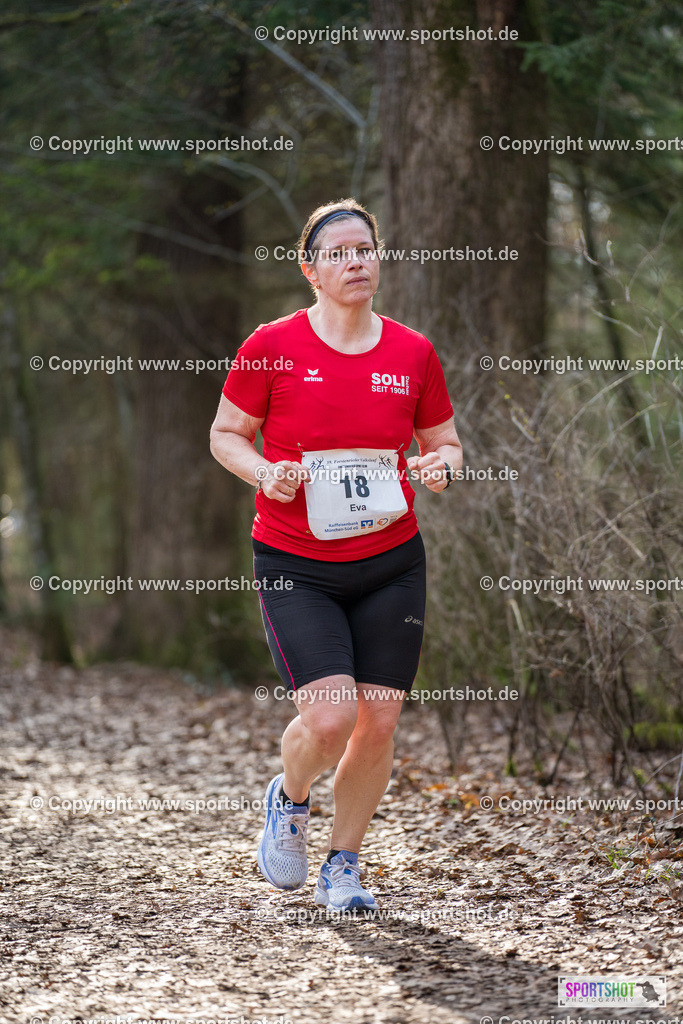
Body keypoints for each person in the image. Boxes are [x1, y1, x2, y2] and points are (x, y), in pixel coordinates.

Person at [210, 198, 463, 912]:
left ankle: (343, 866)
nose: (356, 262)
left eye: (365, 249)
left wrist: (440, 466)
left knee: (377, 721)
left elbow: (444, 443)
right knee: (330, 720)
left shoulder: (412, 352)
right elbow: (226, 434)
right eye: (339, 253)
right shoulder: (272, 345)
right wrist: (264, 472)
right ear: (311, 270)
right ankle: (290, 798)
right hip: (297, 563)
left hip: (391, 563)